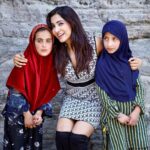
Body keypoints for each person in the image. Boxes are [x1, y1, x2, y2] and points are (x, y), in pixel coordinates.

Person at [13, 6, 142, 150]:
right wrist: (18, 58)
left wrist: (136, 61)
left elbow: (118, 53)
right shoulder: (56, 49)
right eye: (53, 26)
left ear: (71, 22)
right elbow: (35, 56)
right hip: (71, 97)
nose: (56, 29)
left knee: (77, 140)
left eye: (60, 23)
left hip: (94, 98)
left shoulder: (95, 43)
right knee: (62, 137)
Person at [2, 24, 60, 150]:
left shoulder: (50, 65)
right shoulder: (24, 61)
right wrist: (27, 114)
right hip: (18, 115)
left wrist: (39, 113)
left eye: (48, 41)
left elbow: (47, 93)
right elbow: (15, 91)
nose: (44, 45)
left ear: (53, 43)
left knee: (34, 145)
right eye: (39, 40)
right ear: (33, 42)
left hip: (35, 116)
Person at [96, 20, 148, 150]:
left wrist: (136, 111)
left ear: (123, 39)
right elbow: (102, 94)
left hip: (134, 114)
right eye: (106, 39)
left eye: (114, 39)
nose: (109, 44)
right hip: (115, 117)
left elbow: (140, 88)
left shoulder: (131, 62)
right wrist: (117, 114)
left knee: (138, 144)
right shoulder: (102, 65)